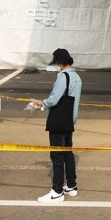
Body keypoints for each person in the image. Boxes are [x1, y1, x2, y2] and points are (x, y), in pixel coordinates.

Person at [32, 49, 82, 203]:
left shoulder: (62, 77)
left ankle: (57, 190)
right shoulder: (77, 77)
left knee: (56, 155)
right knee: (68, 152)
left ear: (60, 62)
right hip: (69, 120)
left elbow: (53, 100)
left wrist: (42, 102)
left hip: (58, 120)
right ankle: (71, 186)